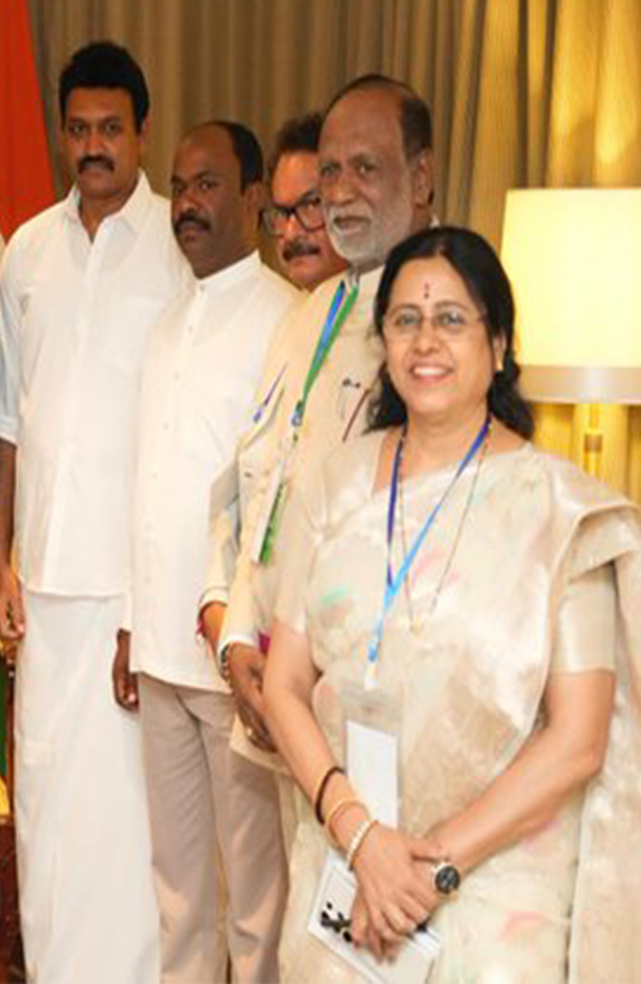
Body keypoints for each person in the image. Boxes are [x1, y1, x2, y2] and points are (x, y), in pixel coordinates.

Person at [263, 226, 641, 982]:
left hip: (496, 894)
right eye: (405, 319)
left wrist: (429, 870)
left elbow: (579, 739)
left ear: (497, 346)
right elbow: (284, 683)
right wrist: (360, 835)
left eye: (452, 318)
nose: (425, 339)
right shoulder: (331, 485)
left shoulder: (564, 516)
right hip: (346, 868)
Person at [0, 41, 190, 982]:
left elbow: (182, 434)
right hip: (43, 589)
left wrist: (145, 607)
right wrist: (1, 562)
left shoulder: (178, 248)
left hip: (130, 590)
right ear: (61, 131)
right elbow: (7, 420)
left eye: (112, 128)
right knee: (50, 805)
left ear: (141, 132)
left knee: (129, 822)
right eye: (79, 129)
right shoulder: (27, 249)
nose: (95, 145)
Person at [200, 75, 434, 787]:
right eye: (330, 170)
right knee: (297, 897)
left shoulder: (442, 313)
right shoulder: (309, 313)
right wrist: (238, 639)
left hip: (374, 689)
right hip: (277, 682)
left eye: (366, 168)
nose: (339, 191)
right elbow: (261, 485)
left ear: (420, 176)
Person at [115, 120, 297, 983]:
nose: (187, 203)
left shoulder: (283, 324)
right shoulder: (164, 325)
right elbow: (146, 488)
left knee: (255, 899)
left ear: (254, 198)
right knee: (179, 891)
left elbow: (274, 505)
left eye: (208, 185)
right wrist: (129, 625)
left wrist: (250, 644)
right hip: (158, 651)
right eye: (181, 187)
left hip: (235, 661)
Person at [264, 112, 347, 291]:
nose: (291, 233)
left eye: (310, 205)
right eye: (281, 213)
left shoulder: (385, 308)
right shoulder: (289, 314)